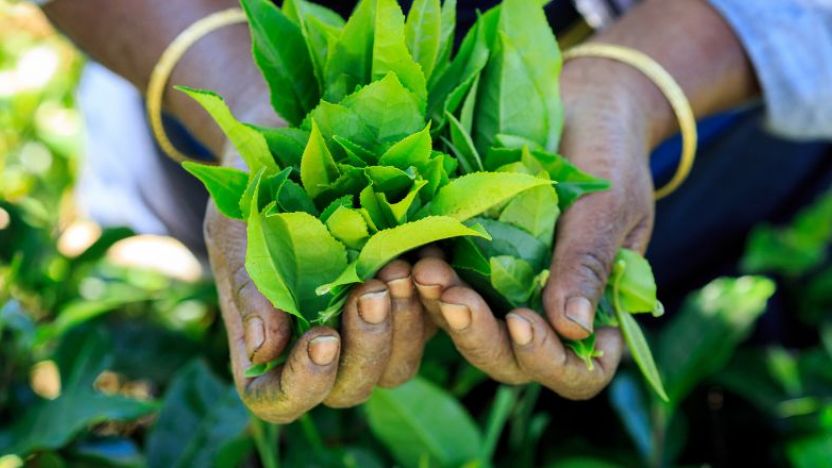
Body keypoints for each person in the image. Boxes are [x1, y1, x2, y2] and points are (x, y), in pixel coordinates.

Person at [39, 0, 832, 423]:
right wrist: (245, 111)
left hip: (691, 85)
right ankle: (153, 225)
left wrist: (628, 84)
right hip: (202, 48)